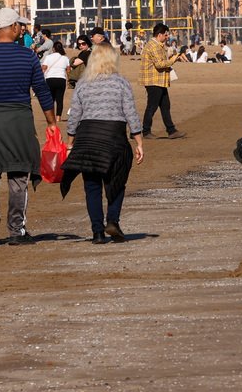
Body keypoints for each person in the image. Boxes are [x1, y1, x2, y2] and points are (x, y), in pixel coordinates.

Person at [0, 8, 58, 245]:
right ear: (13, 28)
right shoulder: (28, 57)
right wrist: (52, 123)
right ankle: (17, 230)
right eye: (21, 25)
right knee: (18, 177)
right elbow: (43, 93)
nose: (23, 29)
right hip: (20, 122)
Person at [60, 44, 144, 244]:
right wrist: (139, 141)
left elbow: (74, 116)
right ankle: (113, 220)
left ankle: (97, 232)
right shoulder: (121, 82)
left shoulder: (82, 83)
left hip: (87, 136)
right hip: (114, 136)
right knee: (117, 181)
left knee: (92, 186)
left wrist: (70, 142)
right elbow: (130, 113)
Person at [140, 22, 187, 139]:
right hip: (153, 81)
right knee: (152, 106)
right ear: (159, 34)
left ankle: (171, 131)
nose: (167, 37)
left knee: (165, 105)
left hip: (160, 80)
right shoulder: (153, 46)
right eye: (166, 35)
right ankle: (145, 131)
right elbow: (160, 64)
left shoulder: (158, 45)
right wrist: (174, 59)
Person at [41, 40, 71, 115]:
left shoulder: (48, 57)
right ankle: (58, 117)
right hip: (61, 80)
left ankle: (51, 116)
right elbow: (68, 71)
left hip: (50, 80)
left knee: (51, 100)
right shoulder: (65, 58)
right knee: (59, 100)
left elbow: (43, 68)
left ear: (53, 49)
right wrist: (69, 80)